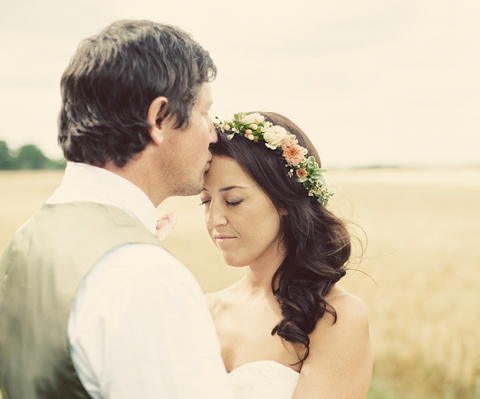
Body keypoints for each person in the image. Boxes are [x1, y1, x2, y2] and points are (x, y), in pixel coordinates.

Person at [0, 20, 234, 399]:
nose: (213, 133)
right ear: (158, 119)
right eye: (205, 113)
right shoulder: (143, 276)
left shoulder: (27, 237)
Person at [200, 112, 373, 399]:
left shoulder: (334, 317)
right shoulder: (202, 310)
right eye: (205, 201)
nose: (213, 219)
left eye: (233, 201)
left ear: (284, 199)